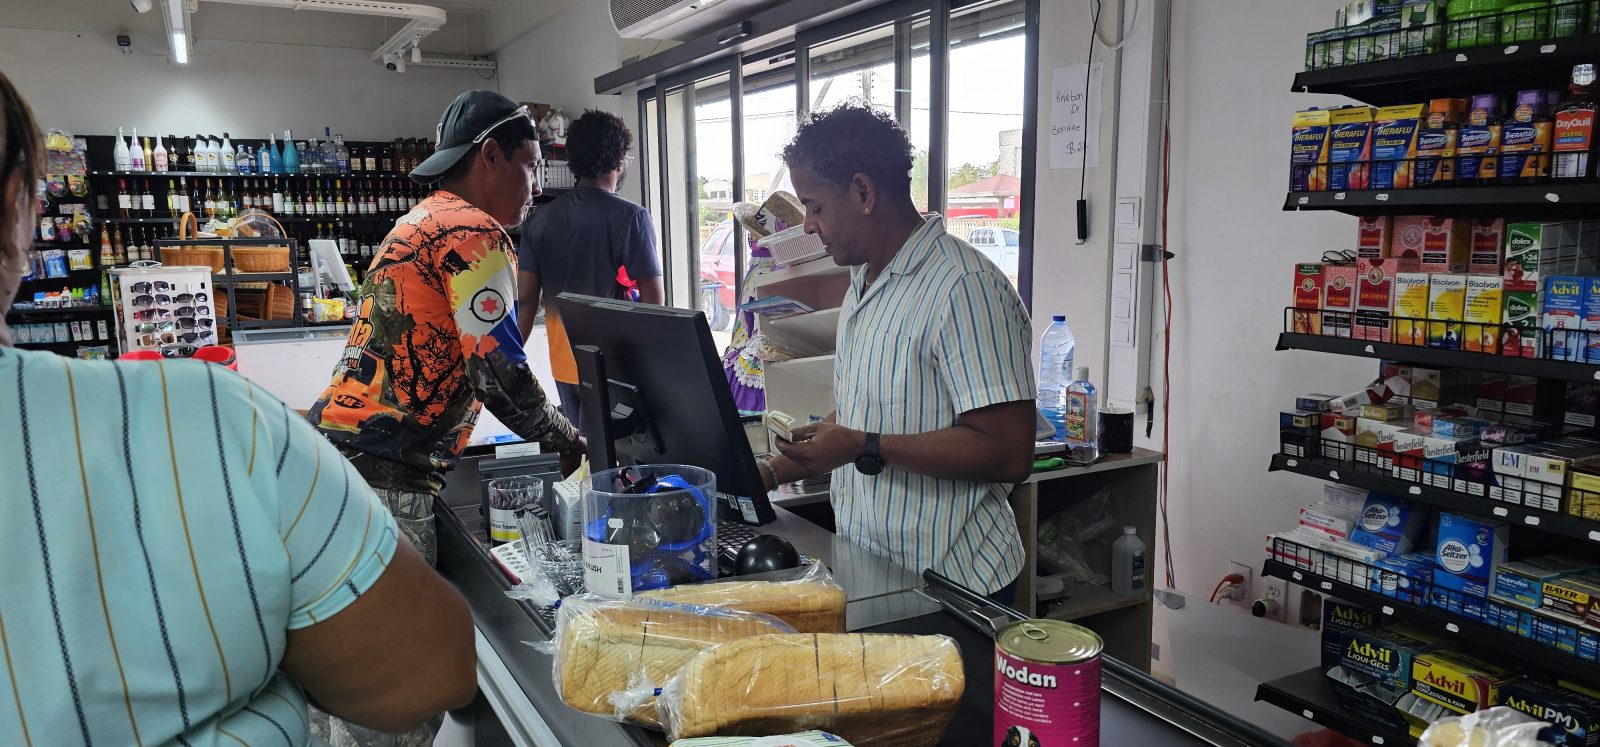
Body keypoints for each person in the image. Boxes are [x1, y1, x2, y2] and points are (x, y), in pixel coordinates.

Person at [0, 71, 476, 746]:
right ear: (18, 205)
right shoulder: (206, 421)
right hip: (401, 470)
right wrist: (271, 671)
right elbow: (431, 669)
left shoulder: (411, 228)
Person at [758, 105, 1037, 602]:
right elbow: (869, 409)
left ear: (863, 193)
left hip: (956, 582)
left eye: (815, 207)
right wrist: (773, 471)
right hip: (877, 569)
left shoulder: (964, 287)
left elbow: (1010, 452)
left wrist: (864, 446)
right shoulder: (864, 282)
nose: (808, 227)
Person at [517, 109, 664, 431]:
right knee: (619, 453)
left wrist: (509, 364)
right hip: (615, 367)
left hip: (563, 361)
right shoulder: (632, 218)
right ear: (619, 160)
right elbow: (654, 303)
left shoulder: (539, 221)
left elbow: (526, 303)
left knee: (581, 446)